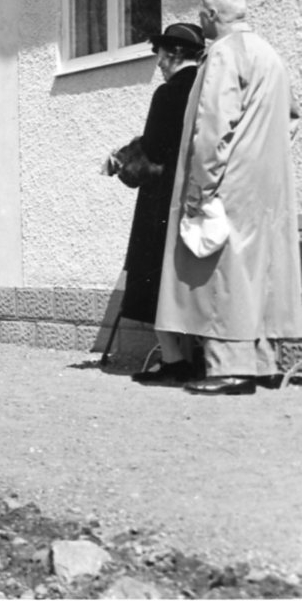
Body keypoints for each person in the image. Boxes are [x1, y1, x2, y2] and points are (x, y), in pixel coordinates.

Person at [154, 0, 302, 395]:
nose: (201, 19)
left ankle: (231, 369)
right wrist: (262, 152)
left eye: (202, 12)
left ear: (211, 16)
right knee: (263, 270)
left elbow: (211, 127)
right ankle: (265, 364)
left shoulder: (222, 54)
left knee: (223, 271)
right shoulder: (270, 55)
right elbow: (292, 115)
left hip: (230, 181)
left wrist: (200, 188)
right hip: (268, 185)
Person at [102, 24, 204, 383]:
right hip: (201, 197)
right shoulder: (208, 88)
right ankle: (197, 356)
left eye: (160, 54)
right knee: (190, 277)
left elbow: (153, 152)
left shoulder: (168, 93)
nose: (158, 63)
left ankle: (174, 360)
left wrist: (119, 162)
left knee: (155, 275)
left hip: (163, 202)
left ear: (174, 54)